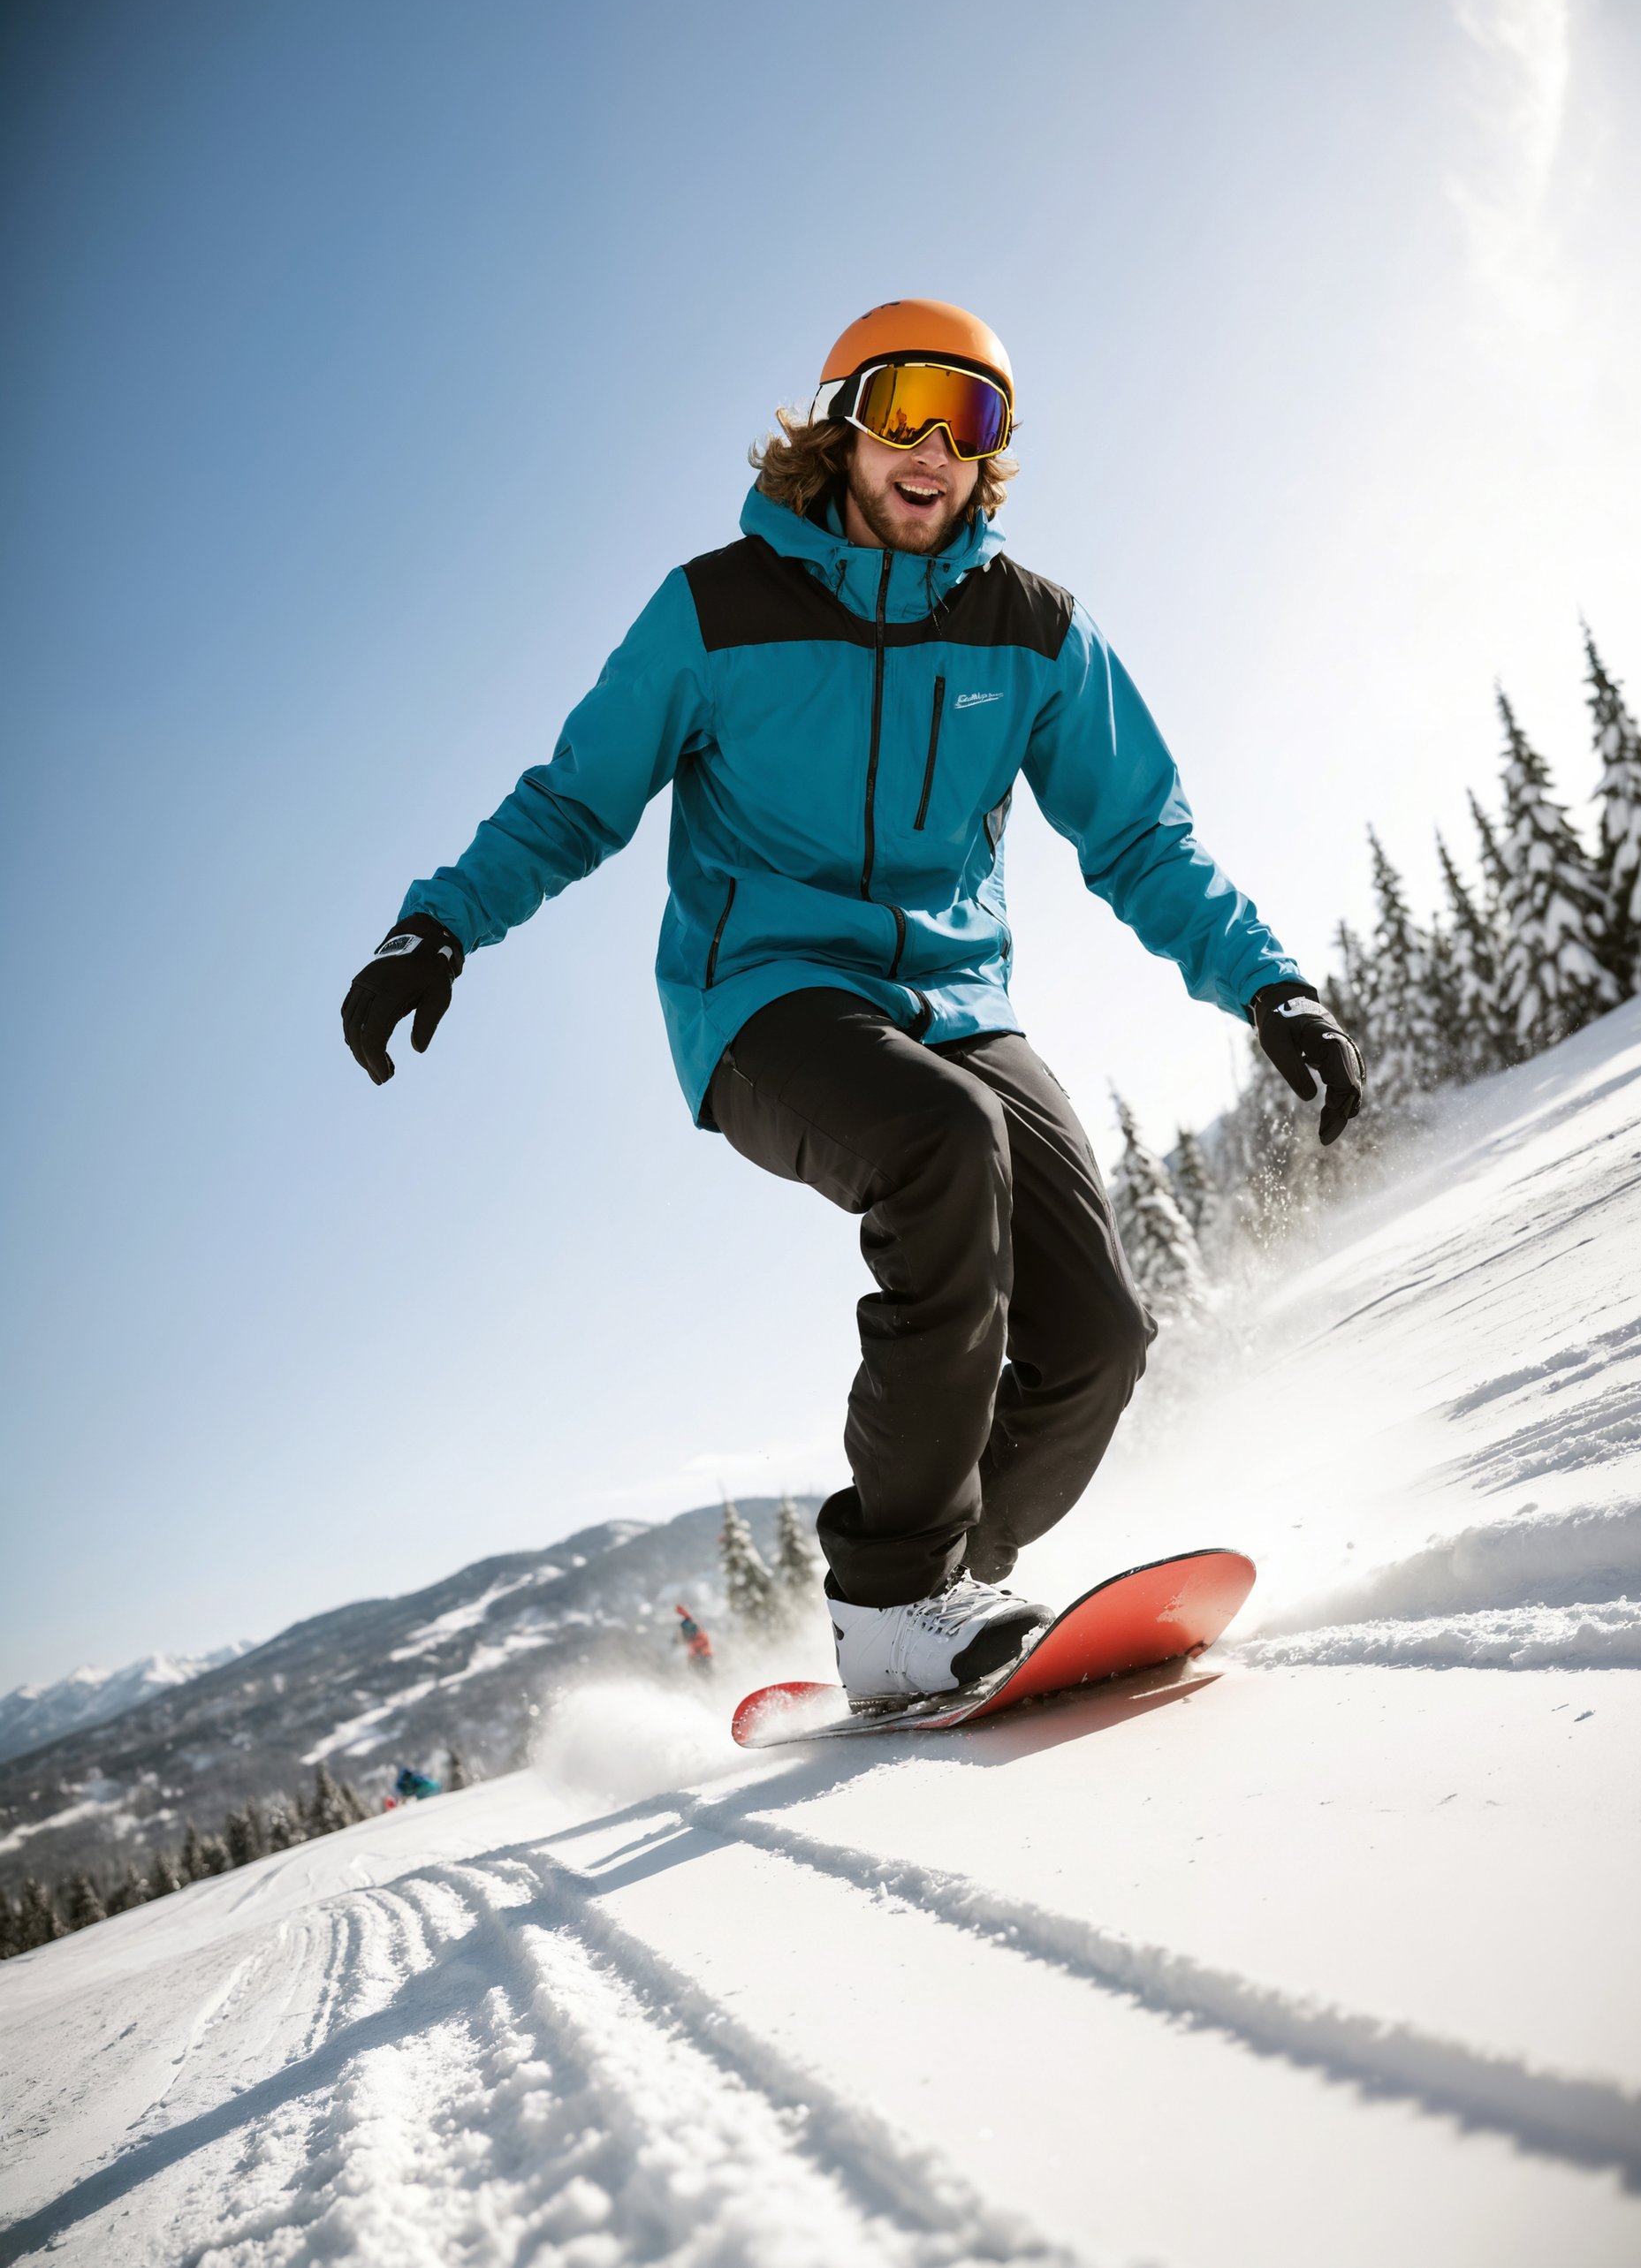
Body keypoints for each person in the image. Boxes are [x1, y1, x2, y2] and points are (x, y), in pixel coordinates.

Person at [341, 300, 1364, 1703]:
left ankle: (935, 1587)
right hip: (765, 995)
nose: (936, 446)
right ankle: (897, 1599)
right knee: (942, 1142)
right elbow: (579, 798)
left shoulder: (1035, 631)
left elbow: (1140, 840)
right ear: (842, 425)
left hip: (955, 999)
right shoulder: (715, 610)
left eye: (974, 417)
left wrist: (1273, 987)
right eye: (906, 409)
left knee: (1098, 1341)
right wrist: (437, 927)